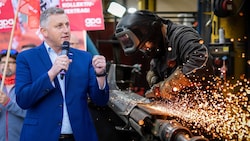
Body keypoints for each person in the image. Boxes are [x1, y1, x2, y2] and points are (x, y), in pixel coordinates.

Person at [15, 7, 109, 141]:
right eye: (59, 26)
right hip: (40, 135)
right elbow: (23, 100)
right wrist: (51, 74)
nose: (66, 30)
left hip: (79, 135)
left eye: (67, 24)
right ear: (44, 32)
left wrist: (100, 75)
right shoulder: (27, 58)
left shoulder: (84, 58)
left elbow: (100, 101)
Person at [115, 10, 214, 100]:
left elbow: (200, 61)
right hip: (180, 109)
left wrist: (170, 84)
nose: (146, 50)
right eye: (142, 49)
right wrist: (154, 80)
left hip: (203, 105)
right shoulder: (159, 48)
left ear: (154, 31)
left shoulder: (182, 35)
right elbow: (157, 73)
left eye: (145, 45)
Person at [0, 49, 26, 141]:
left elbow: (29, 113)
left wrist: (8, 103)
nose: (6, 65)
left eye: (11, 62)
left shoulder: (24, 85)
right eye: (3, 62)